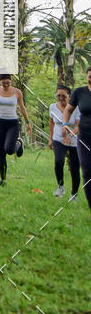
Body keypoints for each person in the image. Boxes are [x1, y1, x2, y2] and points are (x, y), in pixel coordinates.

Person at [0, 74, 31, 186]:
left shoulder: (17, 92)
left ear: (11, 82)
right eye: (4, 83)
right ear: (0, 82)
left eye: (8, 82)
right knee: (1, 152)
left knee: (9, 150)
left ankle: (18, 143)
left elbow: (22, 107)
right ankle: (3, 180)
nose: (6, 85)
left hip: (12, 123)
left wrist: (27, 122)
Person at [62, 67, 91, 219]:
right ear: (87, 77)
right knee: (86, 172)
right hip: (85, 137)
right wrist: (65, 124)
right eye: (89, 76)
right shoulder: (79, 92)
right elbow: (68, 109)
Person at [49, 86, 80, 201]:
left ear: (69, 97)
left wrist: (69, 135)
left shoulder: (76, 108)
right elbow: (51, 123)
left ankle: (74, 194)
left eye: (63, 96)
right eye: (58, 95)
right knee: (58, 161)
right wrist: (51, 138)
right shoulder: (52, 107)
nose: (60, 98)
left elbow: (78, 126)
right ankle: (60, 185)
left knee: (74, 168)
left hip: (74, 141)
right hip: (58, 139)